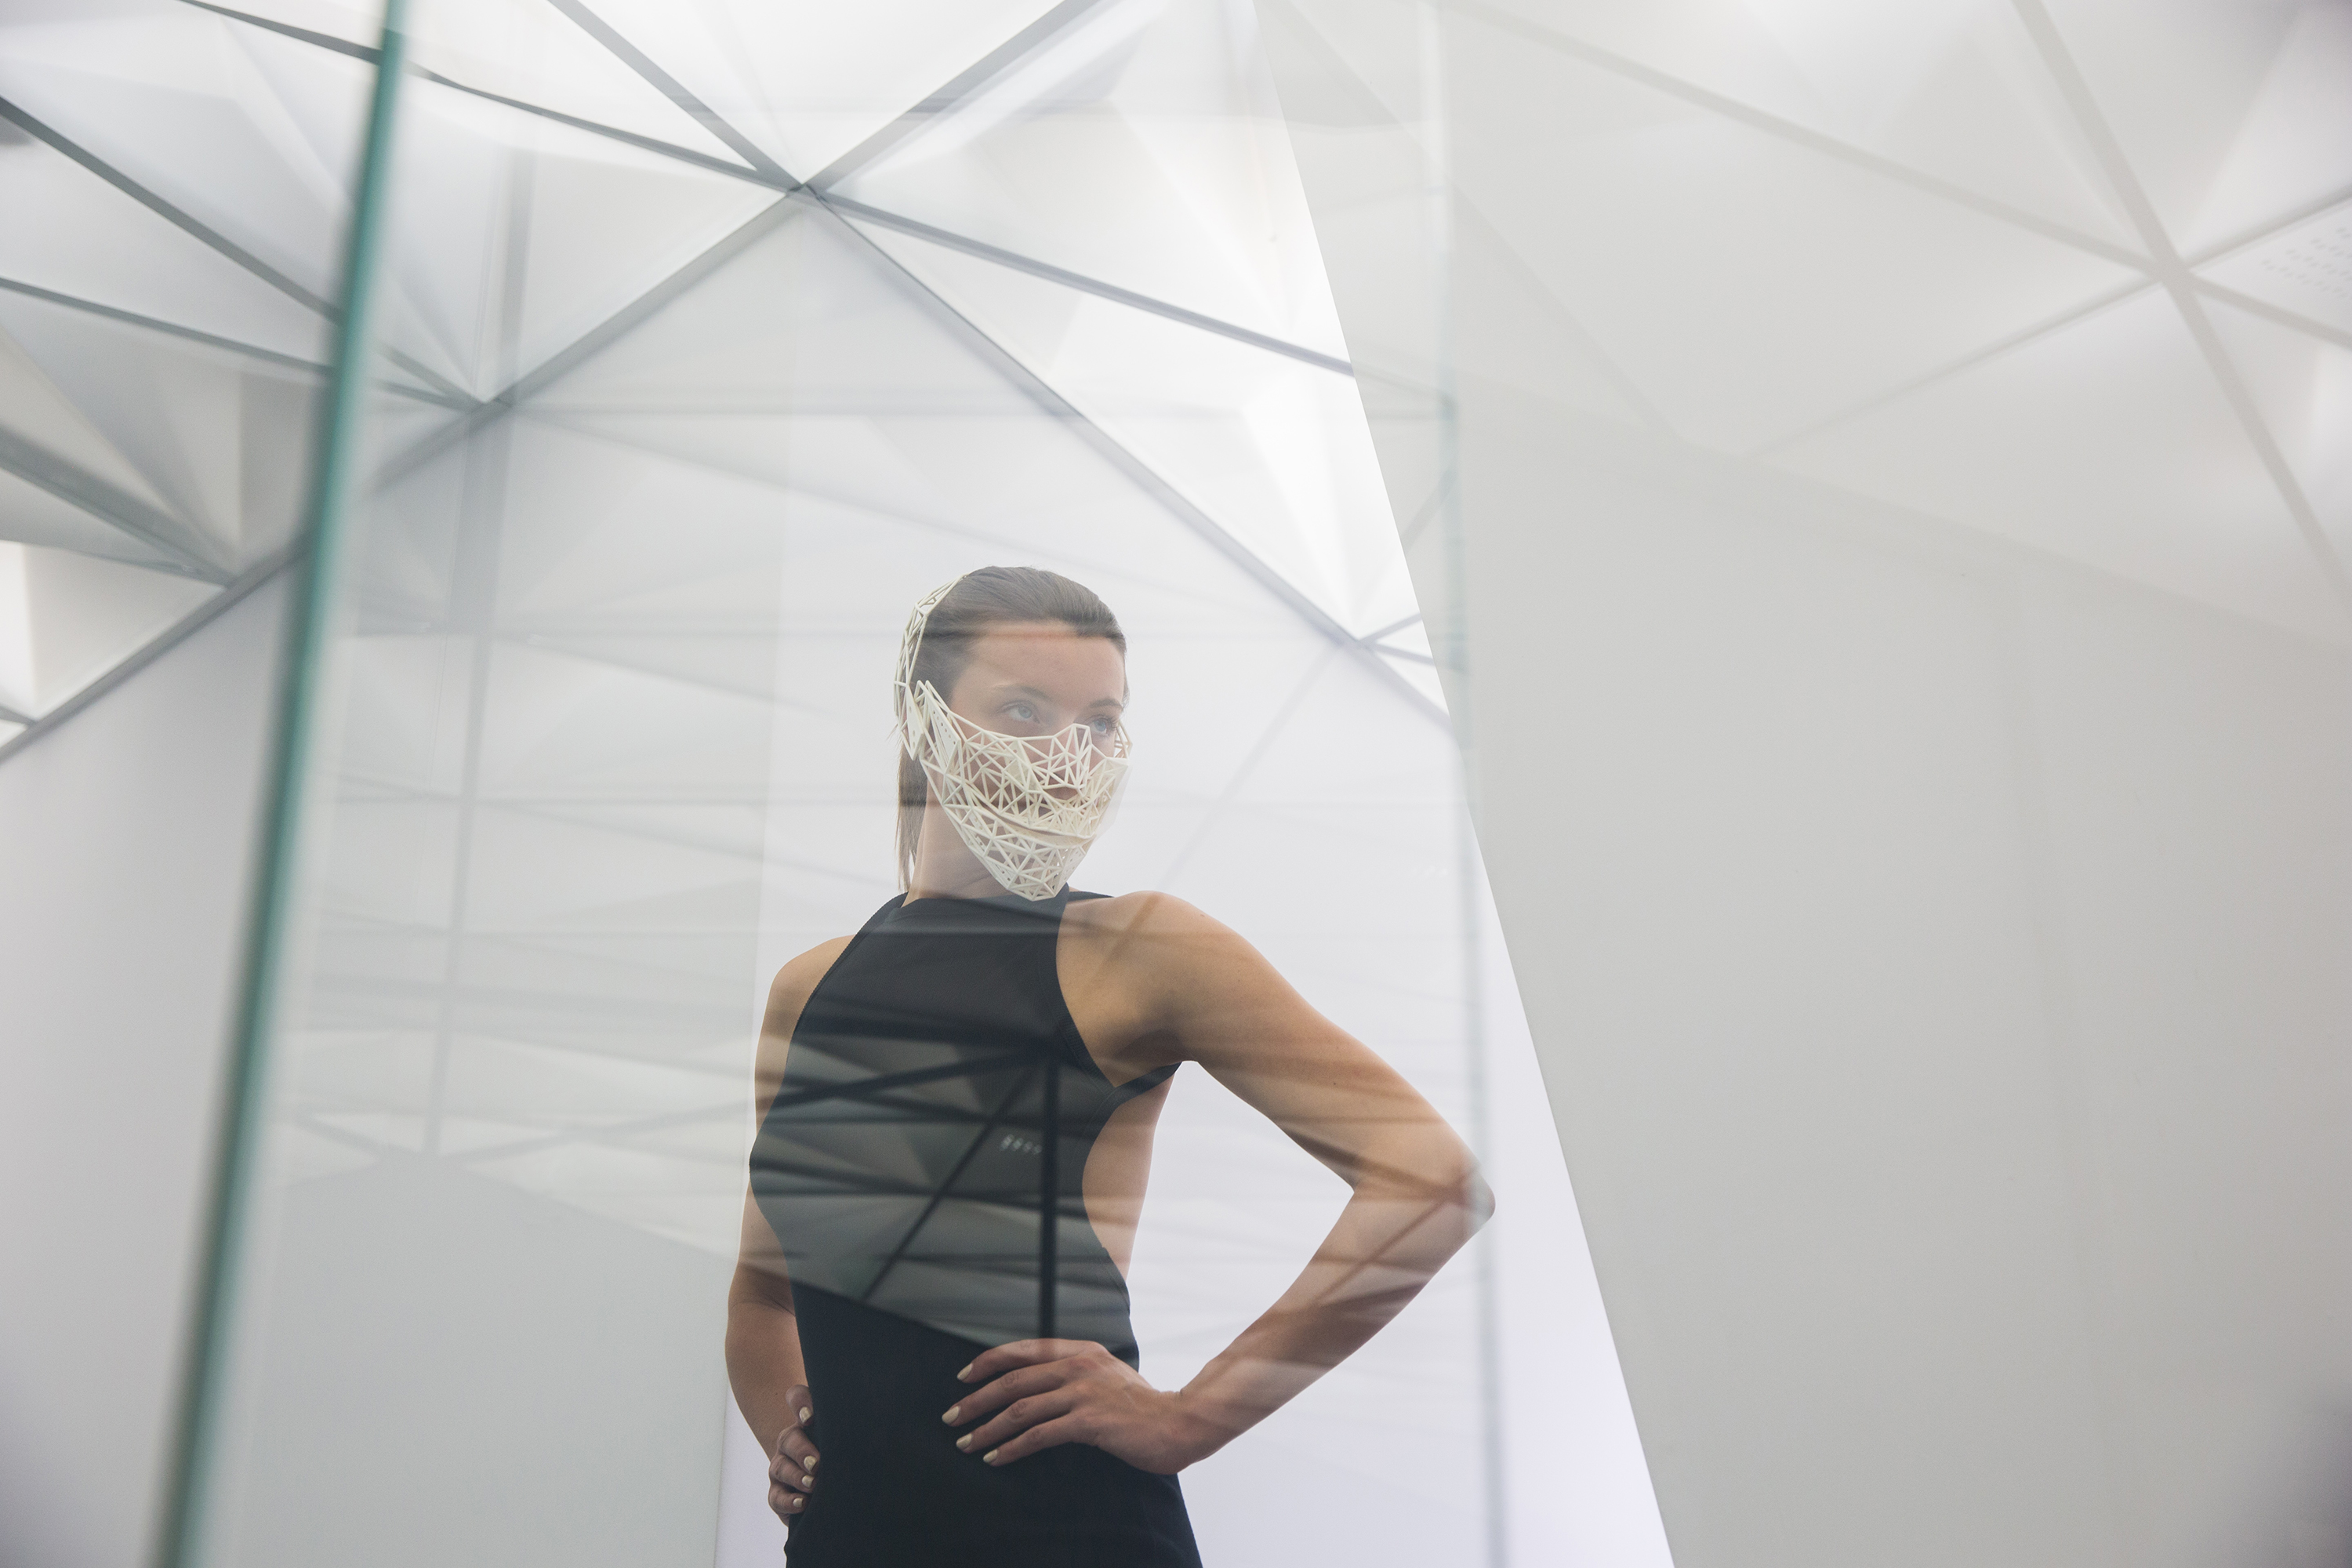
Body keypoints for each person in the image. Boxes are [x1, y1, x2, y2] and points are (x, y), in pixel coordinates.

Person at [726, 567, 1492, 1566]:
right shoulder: (808, 987)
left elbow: (1432, 1179)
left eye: (1099, 721)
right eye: (1024, 709)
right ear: (922, 716)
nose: (1067, 753)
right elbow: (763, 1294)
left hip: (1071, 1533)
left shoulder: (1140, 948)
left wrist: (1187, 1418)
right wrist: (786, 1433)